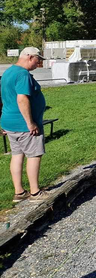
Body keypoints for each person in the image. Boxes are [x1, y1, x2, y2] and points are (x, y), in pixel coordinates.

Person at [1, 47, 48, 203]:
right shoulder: (22, 74)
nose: (38, 63)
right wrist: (31, 123)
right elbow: (22, 99)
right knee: (34, 155)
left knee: (17, 155)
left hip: (9, 121)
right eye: (37, 59)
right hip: (24, 124)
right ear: (29, 57)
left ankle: (19, 192)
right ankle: (35, 192)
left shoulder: (8, 72)